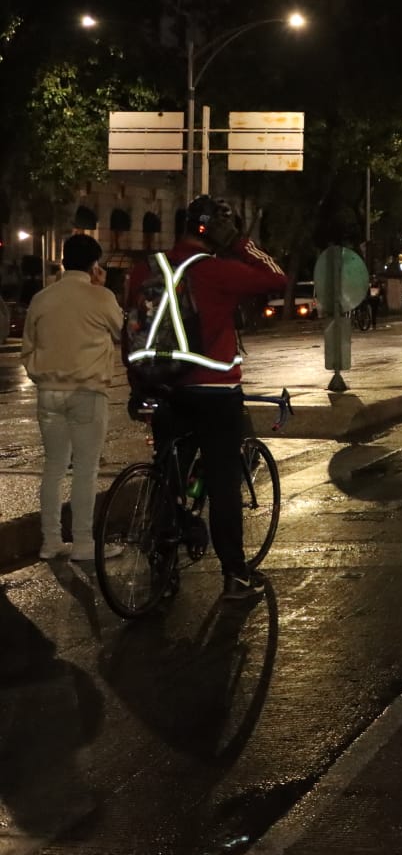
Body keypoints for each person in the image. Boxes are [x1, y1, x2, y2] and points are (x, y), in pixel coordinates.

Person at [127, 196, 286, 600]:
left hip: (162, 387)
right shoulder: (219, 270)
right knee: (223, 482)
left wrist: (138, 386)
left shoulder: (146, 268)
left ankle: (162, 562)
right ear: (212, 230)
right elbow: (276, 277)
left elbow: (130, 328)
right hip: (214, 391)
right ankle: (235, 576)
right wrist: (238, 243)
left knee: (168, 473)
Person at [21, 235, 125, 561]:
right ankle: (82, 542)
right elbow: (122, 330)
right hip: (87, 392)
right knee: (85, 469)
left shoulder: (41, 298)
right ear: (96, 266)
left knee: (53, 468)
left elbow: (28, 348)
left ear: (64, 260)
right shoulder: (101, 297)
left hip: (48, 392)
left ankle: (50, 541)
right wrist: (103, 287)